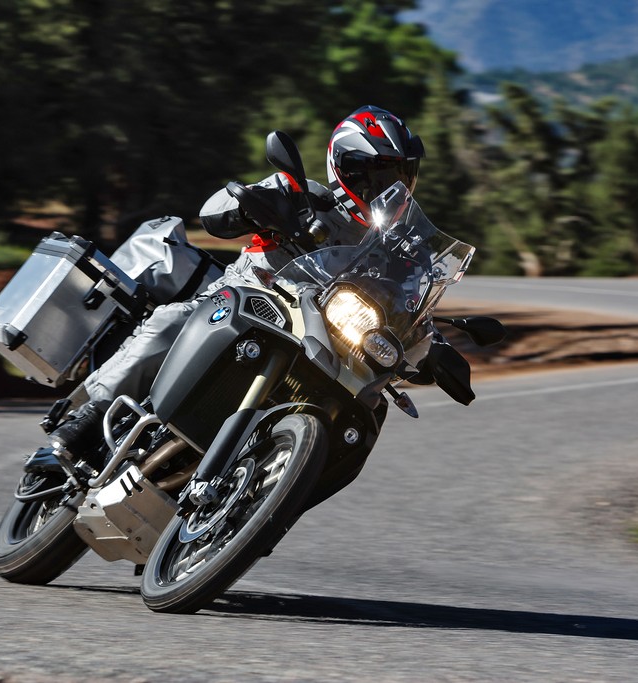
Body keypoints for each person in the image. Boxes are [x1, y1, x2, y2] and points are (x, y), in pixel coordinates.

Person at [49, 105, 426, 459]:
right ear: (346, 167)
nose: (386, 186)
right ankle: (89, 413)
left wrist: (432, 343)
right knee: (171, 321)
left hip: (319, 345)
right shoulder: (304, 195)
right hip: (243, 302)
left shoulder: (395, 251)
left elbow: (413, 306)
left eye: (398, 175)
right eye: (376, 175)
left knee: (360, 409)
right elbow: (212, 211)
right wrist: (249, 206)